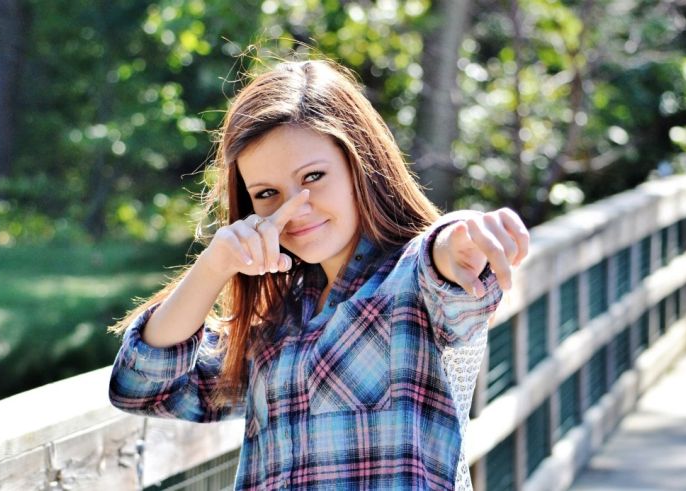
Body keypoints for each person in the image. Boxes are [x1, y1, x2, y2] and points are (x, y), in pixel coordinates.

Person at [108, 57, 529, 490]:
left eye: (313, 176)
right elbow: (142, 388)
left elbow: (445, 266)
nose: (295, 208)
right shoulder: (274, 322)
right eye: (267, 193)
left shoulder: (410, 283)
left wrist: (459, 241)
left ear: (360, 164)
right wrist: (214, 266)